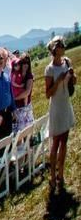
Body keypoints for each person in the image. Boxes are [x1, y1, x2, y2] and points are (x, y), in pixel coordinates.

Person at [44, 36, 76, 200]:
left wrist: (72, 79)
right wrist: (59, 81)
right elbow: (47, 93)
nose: (64, 47)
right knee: (55, 142)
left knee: (65, 141)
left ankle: (61, 174)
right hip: (56, 107)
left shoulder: (67, 62)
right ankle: (52, 176)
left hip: (66, 104)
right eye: (61, 45)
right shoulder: (49, 69)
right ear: (55, 50)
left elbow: (72, 84)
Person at [11, 54, 35, 132]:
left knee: (27, 132)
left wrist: (14, 99)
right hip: (16, 108)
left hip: (25, 107)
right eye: (23, 62)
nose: (25, 65)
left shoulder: (29, 76)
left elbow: (27, 92)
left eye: (27, 63)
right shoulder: (17, 75)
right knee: (18, 133)